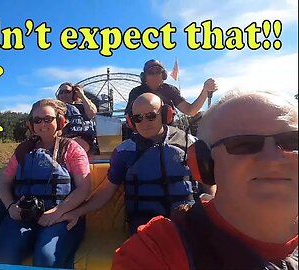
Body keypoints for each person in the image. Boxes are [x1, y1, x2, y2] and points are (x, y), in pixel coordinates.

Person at [112, 90, 298, 269]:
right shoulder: (150, 252)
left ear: (165, 114)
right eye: (243, 144)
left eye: (293, 141)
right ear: (205, 163)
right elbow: (107, 191)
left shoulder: (187, 142)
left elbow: (210, 189)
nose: (273, 159)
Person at [60, 93, 211, 235]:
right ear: (131, 121)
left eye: (151, 116)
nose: (144, 123)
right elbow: (105, 192)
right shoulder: (124, 151)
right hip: (145, 229)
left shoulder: (190, 144)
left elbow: (208, 184)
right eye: (138, 118)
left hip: (189, 223)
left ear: (166, 115)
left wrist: (210, 208)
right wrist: (76, 212)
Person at [0, 98, 91, 268]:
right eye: (37, 120)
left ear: (60, 120)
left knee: (46, 258)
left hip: (62, 217)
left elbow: (84, 188)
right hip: (23, 216)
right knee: (2, 257)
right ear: (31, 124)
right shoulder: (23, 150)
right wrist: (10, 207)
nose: (42, 124)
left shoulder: (72, 149)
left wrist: (58, 211)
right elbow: (4, 183)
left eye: (48, 119)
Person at [125, 59, 218, 118]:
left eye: (158, 72)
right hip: (141, 135)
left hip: (167, 136)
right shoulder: (136, 92)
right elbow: (129, 118)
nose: (155, 75)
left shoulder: (170, 90)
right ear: (144, 76)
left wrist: (205, 92)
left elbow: (190, 111)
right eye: (150, 72)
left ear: (163, 75)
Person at [56, 82, 98, 154]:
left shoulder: (84, 106)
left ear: (74, 94)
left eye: (67, 92)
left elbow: (91, 114)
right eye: (61, 92)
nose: (63, 94)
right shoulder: (55, 109)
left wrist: (82, 95)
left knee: (73, 145)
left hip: (82, 138)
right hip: (62, 139)